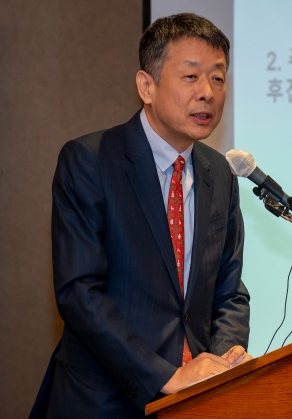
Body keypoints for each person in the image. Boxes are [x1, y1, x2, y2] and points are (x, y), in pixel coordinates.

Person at [30, 13, 251, 418]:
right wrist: (164, 377)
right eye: (191, 77)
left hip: (196, 403)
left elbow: (229, 291)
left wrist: (220, 365)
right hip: (104, 401)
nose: (207, 92)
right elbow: (80, 293)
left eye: (218, 79)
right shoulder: (90, 161)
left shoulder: (219, 173)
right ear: (146, 86)